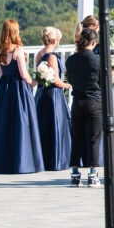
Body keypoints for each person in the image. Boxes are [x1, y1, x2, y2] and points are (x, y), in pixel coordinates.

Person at [0, 19, 44, 174]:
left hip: (4, 88)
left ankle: (1, 161)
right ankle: (22, 161)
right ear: (15, 32)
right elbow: (23, 74)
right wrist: (35, 82)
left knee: (3, 124)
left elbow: (1, 73)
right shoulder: (18, 50)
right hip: (18, 89)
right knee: (21, 124)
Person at [64, 27, 103, 186]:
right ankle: (93, 173)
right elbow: (101, 82)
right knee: (94, 138)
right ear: (93, 42)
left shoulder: (71, 60)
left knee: (76, 138)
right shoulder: (97, 60)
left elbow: (71, 80)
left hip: (78, 100)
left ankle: (74, 172)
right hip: (94, 100)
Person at [33, 26, 71, 172]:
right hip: (54, 95)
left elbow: (39, 74)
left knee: (43, 126)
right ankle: (56, 159)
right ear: (55, 40)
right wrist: (67, 85)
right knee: (55, 126)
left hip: (42, 93)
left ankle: (43, 158)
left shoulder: (39, 54)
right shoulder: (52, 56)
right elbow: (55, 80)